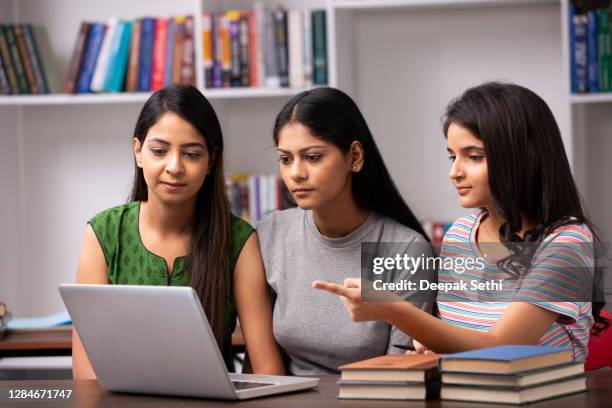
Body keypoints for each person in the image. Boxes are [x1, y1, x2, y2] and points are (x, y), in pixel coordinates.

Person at [314, 82, 608, 361]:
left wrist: (394, 310)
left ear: (519, 158)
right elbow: (459, 338)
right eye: (452, 156)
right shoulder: (461, 234)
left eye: (474, 157)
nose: (454, 172)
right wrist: (429, 347)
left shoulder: (566, 241)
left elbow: (501, 347)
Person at [72, 85, 284, 379]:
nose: (174, 167)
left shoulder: (240, 241)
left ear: (211, 160)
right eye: (159, 151)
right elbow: (87, 374)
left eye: (191, 154)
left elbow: (267, 367)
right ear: (138, 151)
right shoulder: (104, 233)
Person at [256, 87, 435, 375]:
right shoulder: (270, 233)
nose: (295, 173)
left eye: (312, 157)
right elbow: (261, 358)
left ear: (354, 156)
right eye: (285, 159)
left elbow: (400, 374)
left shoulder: (406, 249)